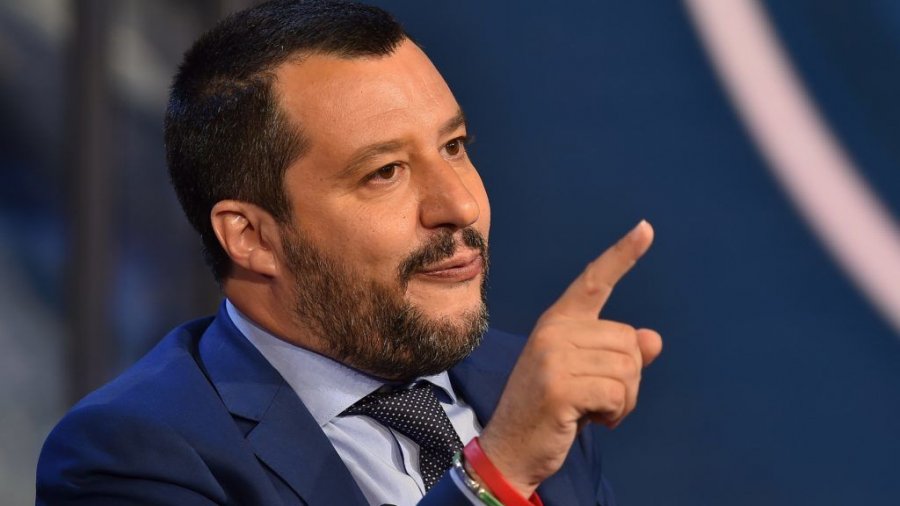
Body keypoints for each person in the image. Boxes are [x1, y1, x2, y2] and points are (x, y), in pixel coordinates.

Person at [36, 1, 662, 505]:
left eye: (454, 146)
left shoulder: (519, 383)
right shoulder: (134, 456)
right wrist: (495, 476)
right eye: (385, 172)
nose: (460, 205)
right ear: (251, 237)